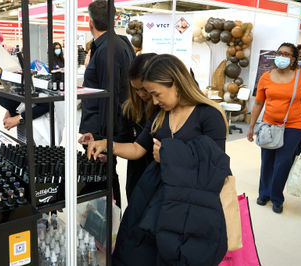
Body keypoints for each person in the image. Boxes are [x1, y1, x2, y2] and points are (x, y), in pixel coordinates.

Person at [88, 54, 229, 265]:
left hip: (188, 205)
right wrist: (107, 144)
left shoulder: (209, 116)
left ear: (175, 83)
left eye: (157, 94)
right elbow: (137, 148)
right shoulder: (161, 114)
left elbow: (213, 168)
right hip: (153, 197)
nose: (153, 101)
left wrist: (168, 156)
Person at [78, 0, 135, 208]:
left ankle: (110, 228)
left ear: (90, 23)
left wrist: (103, 141)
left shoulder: (107, 49)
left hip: (102, 132)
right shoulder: (118, 43)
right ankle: (109, 226)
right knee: (104, 179)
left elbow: (109, 99)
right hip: (104, 130)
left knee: (105, 180)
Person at [247, 42, 301, 214]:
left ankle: (276, 197)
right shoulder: (266, 77)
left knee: (282, 163)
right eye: (279, 53)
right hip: (268, 124)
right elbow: (258, 103)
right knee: (267, 161)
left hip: (293, 126)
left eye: (286, 54)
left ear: (293, 59)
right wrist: (251, 126)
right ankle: (264, 194)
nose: (281, 57)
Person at [120, 53, 157, 202]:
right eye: (136, 89)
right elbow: (123, 139)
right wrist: (104, 145)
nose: (141, 94)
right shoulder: (129, 109)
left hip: (158, 179)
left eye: (144, 89)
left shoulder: (165, 110)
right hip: (137, 176)